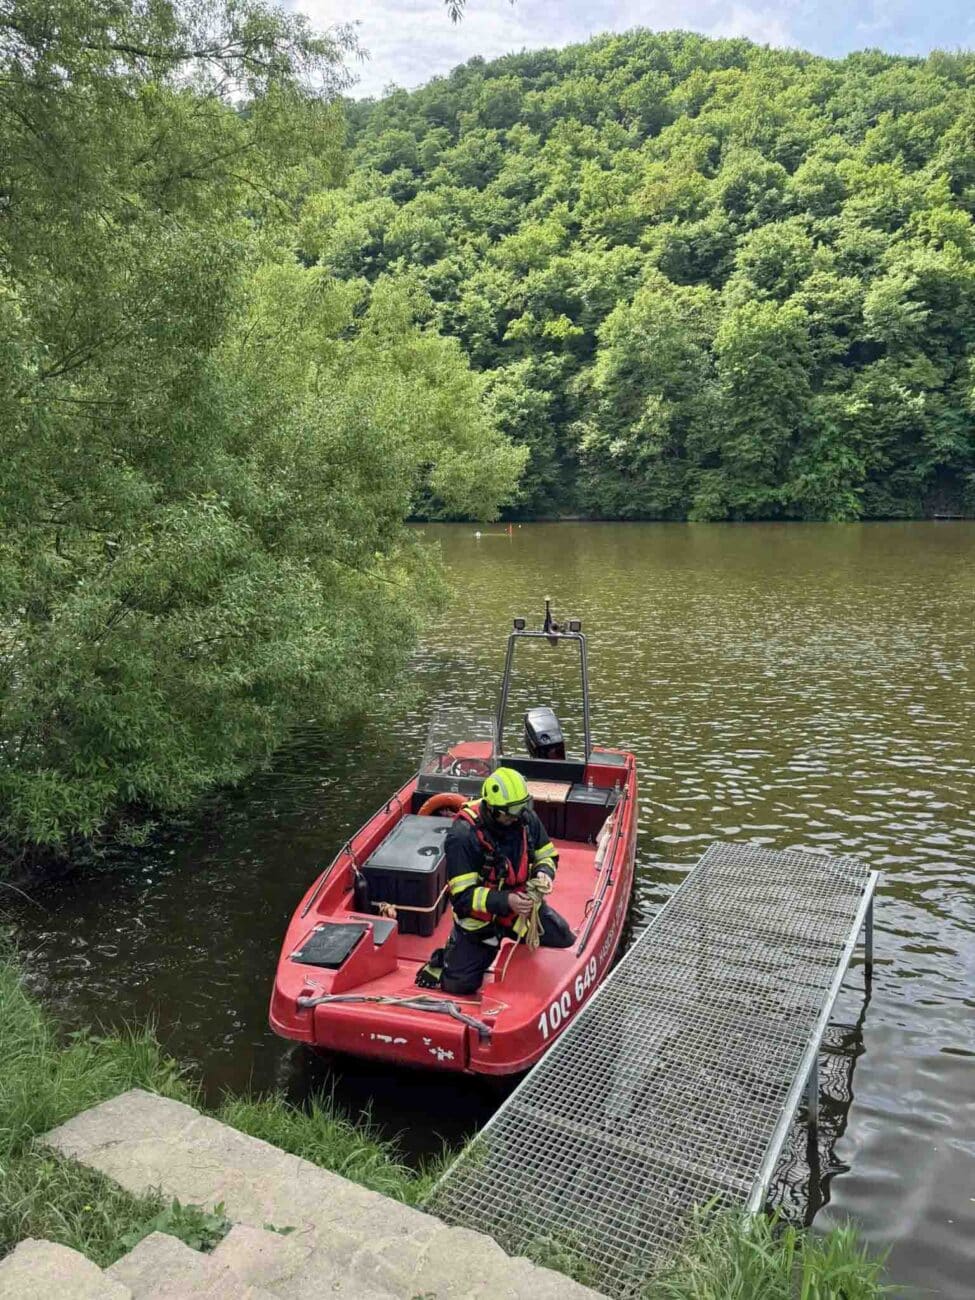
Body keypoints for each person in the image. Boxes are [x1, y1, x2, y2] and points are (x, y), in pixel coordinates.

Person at [417, 766, 574, 995]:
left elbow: (546, 854)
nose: (516, 816)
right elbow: (462, 898)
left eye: (521, 809)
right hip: (481, 924)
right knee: (459, 986)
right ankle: (444, 960)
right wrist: (506, 900)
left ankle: (512, 933)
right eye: (510, 812)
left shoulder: (523, 817)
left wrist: (544, 873)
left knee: (563, 936)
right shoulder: (463, 836)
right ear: (491, 808)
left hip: (521, 911)